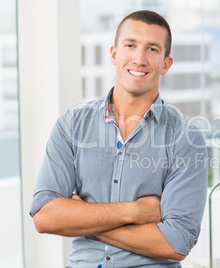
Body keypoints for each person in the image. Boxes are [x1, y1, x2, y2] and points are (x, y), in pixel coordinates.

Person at [29, 10, 208, 268]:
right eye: (130, 45)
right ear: (114, 54)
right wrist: (134, 212)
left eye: (152, 49)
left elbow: (177, 242)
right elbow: (45, 216)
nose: (139, 58)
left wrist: (82, 218)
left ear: (166, 64)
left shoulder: (186, 138)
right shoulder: (72, 124)